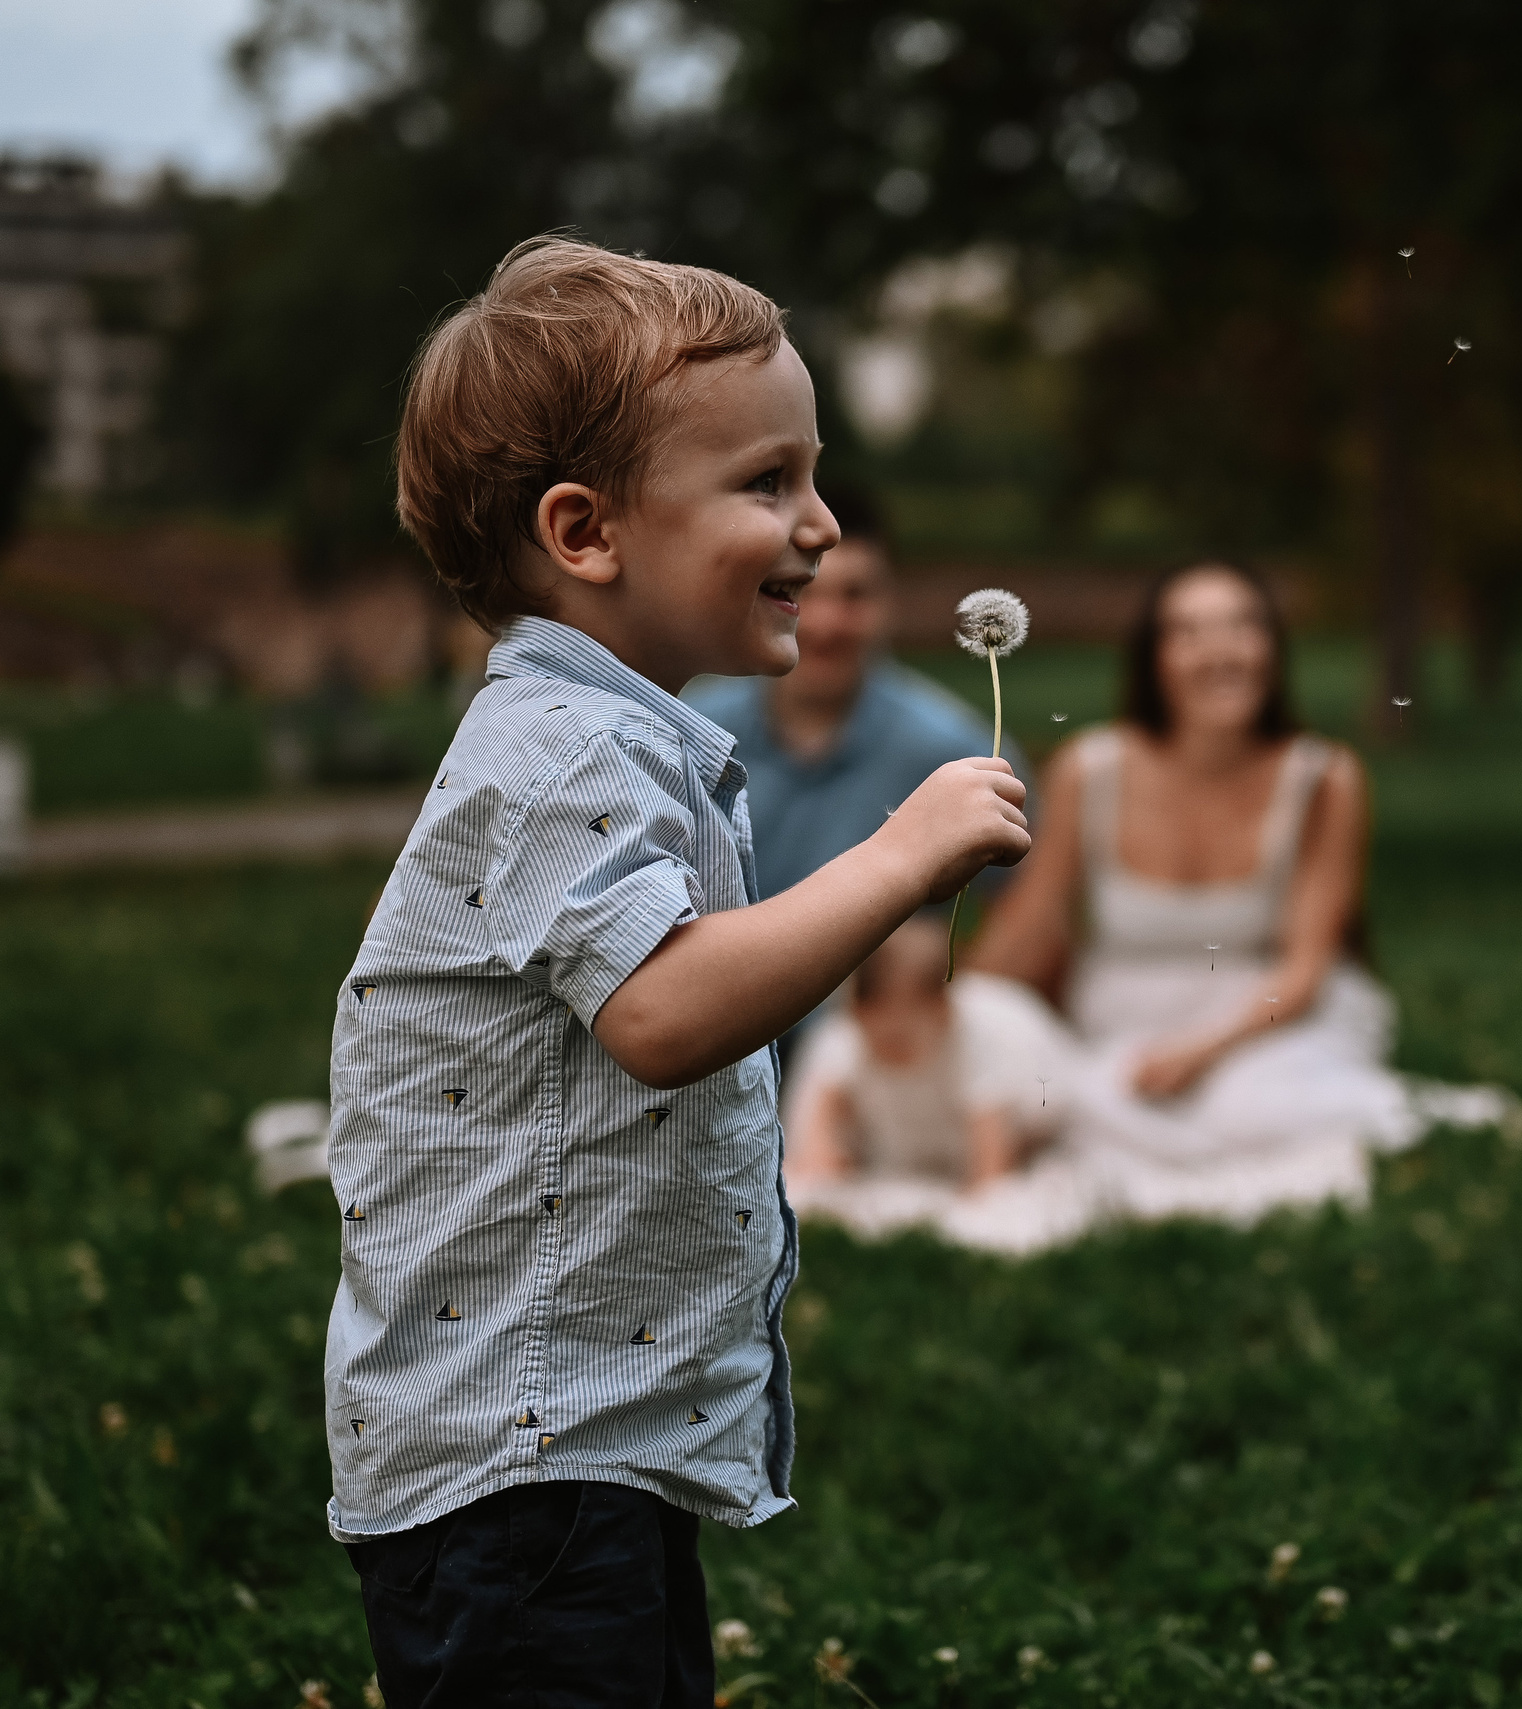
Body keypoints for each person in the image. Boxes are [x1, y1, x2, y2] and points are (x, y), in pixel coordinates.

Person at [325, 238, 1029, 1707]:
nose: (823, 525)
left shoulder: (621, 739)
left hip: (583, 1450)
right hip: (516, 1473)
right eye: (768, 483)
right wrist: (897, 859)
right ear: (588, 533)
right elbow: (662, 1010)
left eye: (814, 475)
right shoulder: (555, 752)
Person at [957, 561, 1514, 1250]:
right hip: (1123, 1034)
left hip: (1269, 1024)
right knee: (1079, 1092)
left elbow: (1307, 968)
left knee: (1249, 1104)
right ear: (1154, 658)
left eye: (1241, 625)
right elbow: (1030, 925)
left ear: (1272, 648)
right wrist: (950, 1002)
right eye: (1188, 631)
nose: (1219, 649)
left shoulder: (1326, 778)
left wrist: (1200, 1052)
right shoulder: (1088, 769)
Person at [688, 490, 1018, 903]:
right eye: (803, 591)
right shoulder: (690, 734)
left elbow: (1033, 898)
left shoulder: (957, 750)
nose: (827, 624)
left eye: (856, 595)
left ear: (892, 600)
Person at [781, 915, 1075, 1239]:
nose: (884, 1056)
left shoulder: (980, 1042)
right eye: (871, 1039)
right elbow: (814, 1150)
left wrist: (980, 1190)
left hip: (1038, 1106)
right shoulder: (845, 1042)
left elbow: (991, 1171)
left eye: (898, 1042)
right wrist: (826, 1150)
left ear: (944, 1012)